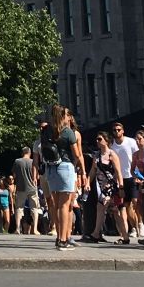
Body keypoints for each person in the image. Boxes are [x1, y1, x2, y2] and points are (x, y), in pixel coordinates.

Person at [43, 105, 86, 250]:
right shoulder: (67, 132)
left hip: (50, 168)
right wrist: (80, 169)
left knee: (55, 204)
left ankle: (58, 236)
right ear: (63, 116)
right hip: (65, 167)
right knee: (65, 205)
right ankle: (63, 239)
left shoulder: (47, 129)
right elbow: (77, 154)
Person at [84, 132, 129, 244]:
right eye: (97, 139)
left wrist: (121, 187)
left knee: (104, 208)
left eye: (100, 139)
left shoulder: (111, 154)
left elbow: (118, 172)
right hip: (102, 186)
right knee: (113, 211)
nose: (97, 141)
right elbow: (92, 171)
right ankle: (124, 236)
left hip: (111, 186)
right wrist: (88, 183)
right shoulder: (97, 155)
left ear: (106, 140)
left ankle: (96, 234)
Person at [109, 120, 138, 238]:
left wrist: (137, 172)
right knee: (122, 206)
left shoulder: (130, 142)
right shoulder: (112, 145)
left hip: (131, 176)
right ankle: (127, 230)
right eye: (115, 130)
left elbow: (136, 157)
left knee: (132, 204)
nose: (117, 132)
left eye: (119, 130)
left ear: (123, 131)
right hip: (119, 178)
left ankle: (136, 226)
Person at [12, 146, 39, 235]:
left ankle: (17, 228)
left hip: (21, 187)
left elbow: (14, 175)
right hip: (32, 187)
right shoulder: (33, 162)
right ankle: (35, 229)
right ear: (30, 153)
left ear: (22, 153)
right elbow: (37, 176)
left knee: (19, 208)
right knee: (34, 208)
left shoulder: (17, 161)